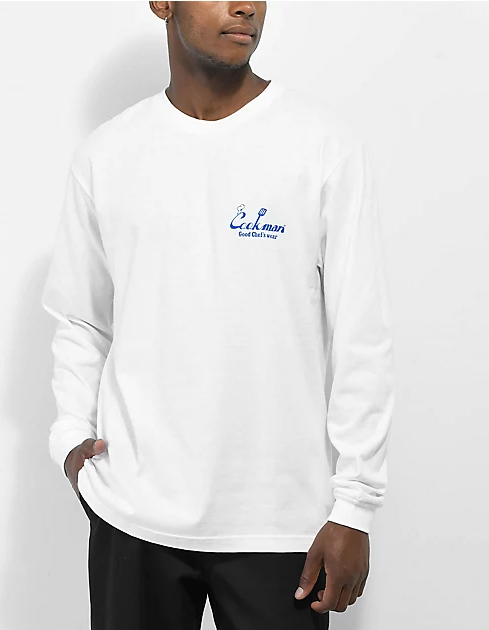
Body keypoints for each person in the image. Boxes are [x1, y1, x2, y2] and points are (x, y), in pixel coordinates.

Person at [41, 2, 395, 628]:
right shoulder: (108, 154)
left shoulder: (322, 145)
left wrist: (355, 505)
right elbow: (81, 317)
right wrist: (71, 435)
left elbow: (360, 335)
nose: (246, 6)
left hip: (279, 521)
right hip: (133, 511)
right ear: (163, 3)